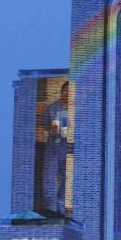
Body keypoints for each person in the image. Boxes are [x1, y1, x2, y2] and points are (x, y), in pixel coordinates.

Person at [41, 81, 69, 214]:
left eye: (70, 91)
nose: (67, 93)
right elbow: (44, 122)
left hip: (69, 149)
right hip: (53, 147)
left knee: (66, 181)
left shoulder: (76, 109)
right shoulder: (53, 107)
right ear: (61, 92)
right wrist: (49, 129)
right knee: (49, 179)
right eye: (65, 90)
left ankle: (61, 212)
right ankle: (50, 211)